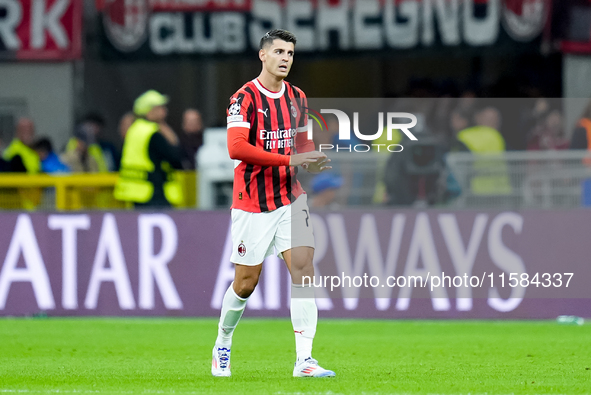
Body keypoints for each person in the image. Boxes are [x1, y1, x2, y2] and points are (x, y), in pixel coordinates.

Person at [212, 29, 334, 378]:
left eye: (291, 53)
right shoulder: (243, 98)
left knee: (304, 269)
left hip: (290, 198)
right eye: (279, 51)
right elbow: (236, 148)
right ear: (262, 55)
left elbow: (302, 144)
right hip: (252, 201)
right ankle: (223, 341)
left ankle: (305, 360)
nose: (285, 58)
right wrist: (290, 161)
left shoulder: (297, 96)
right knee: (246, 282)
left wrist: (310, 158)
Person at [114, 90, 183, 208]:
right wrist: (167, 132)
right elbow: (176, 159)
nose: (164, 110)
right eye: (160, 107)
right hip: (153, 193)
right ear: (150, 110)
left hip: (135, 191)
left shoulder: (134, 130)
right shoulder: (152, 133)